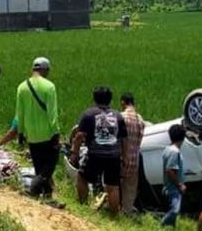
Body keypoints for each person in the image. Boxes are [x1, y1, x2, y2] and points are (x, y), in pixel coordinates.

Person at [14, 57, 63, 208]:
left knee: (39, 167)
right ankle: (33, 191)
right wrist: (56, 133)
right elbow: (52, 114)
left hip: (31, 135)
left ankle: (47, 196)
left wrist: (21, 133)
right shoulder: (49, 87)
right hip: (47, 134)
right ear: (45, 69)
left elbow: (19, 114)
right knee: (47, 168)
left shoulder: (22, 87)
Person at [70, 87, 127, 213]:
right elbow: (123, 139)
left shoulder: (88, 114)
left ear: (94, 98)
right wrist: (124, 157)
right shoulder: (118, 116)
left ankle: (83, 206)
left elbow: (79, 136)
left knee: (82, 177)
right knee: (113, 186)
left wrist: (74, 153)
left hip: (95, 154)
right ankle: (113, 215)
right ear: (110, 100)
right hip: (114, 156)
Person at [120, 93, 145, 215]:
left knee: (114, 183)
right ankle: (127, 211)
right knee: (130, 187)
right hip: (134, 158)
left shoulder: (121, 117)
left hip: (121, 156)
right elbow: (139, 140)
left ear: (123, 102)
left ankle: (113, 206)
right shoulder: (140, 119)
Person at [161, 124, 187, 227]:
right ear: (183, 138)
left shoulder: (167, 149)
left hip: (170, 185)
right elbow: (170, 170)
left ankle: (171, 229)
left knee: (173, 210)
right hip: (173, 187)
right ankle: (162, 224)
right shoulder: (174, 152)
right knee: (175, 210)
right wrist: (180, 184)